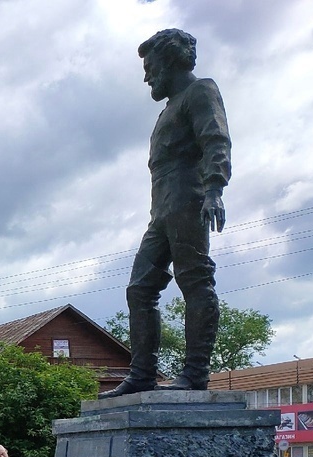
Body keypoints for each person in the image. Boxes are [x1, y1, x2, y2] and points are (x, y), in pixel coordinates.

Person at [101, 28, 231, 397]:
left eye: (150, 66)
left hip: (188, 200)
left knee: (195, 281)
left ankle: (195, 374)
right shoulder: (168, 109)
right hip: (161, 210)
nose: (146, 76)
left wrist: (214, 190)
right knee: (140, 288)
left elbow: (215, 140)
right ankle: (142, 374)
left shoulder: (200, 90)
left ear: (170, 60)